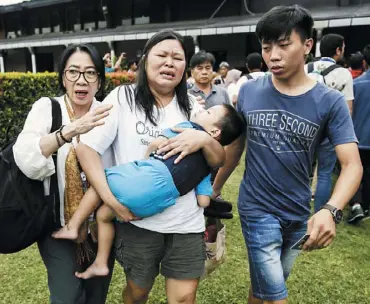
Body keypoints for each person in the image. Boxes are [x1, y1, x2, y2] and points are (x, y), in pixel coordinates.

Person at [212, 5, 362, 304]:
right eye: (267, 48)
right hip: (257, 210)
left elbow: (352, 165)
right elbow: (236, 146)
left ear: (307, 45)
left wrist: (330, 209)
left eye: (283, 45)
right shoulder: (250, 92)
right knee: (276, 296)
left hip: (296, 211)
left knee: (264, 287)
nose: (273, 56)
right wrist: (214, 189)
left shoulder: (330, 102)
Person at [76, 30, 226, 304]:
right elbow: (86, 149)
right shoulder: (123, 98)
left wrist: (204, 138)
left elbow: (218, 159)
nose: (170, 63)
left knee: (184, 299)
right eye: (162, 55)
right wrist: (111, 202)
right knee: (137, 293)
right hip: (138, 223)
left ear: (185, 67)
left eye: (177, 58)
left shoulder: (193, 106)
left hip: (186, 225)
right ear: (146, 61)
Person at [53, 103, 245, 280]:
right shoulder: (207, 167)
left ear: (214, 131)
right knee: (104, 215)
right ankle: (101, 263)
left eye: (208, 112)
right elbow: (204, 200)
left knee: (99, 182)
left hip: (149, 177)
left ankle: (73, 226)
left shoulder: (188, 128)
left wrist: (147, 160)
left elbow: (156, 143)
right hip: (158, 203)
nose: (202, 111)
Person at [12, 44, 114, 304]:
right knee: (66, 296)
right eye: (73, 72)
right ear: (63, 77)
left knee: (96, 296)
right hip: (54, 225)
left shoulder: (109, 113)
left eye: (90, 73)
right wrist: (66, 132)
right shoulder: (48, 108)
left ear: (99, 81)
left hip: (99, 226)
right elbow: (25, 155)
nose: (81, 80)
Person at [306, 33, 354, 212]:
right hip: (329, 130)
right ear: (338, 50)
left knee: (302, 172)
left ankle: (297, 210)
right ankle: (319, 214)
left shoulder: (306, 68)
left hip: (305, 126)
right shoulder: (344, 74)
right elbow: (348, 109)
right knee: (325, 173)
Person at [348, 45, 370, 223]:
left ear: (364, 62)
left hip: (357, 137)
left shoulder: (356, 84)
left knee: (353, 170)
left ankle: (356, 204)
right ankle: (366, 206)